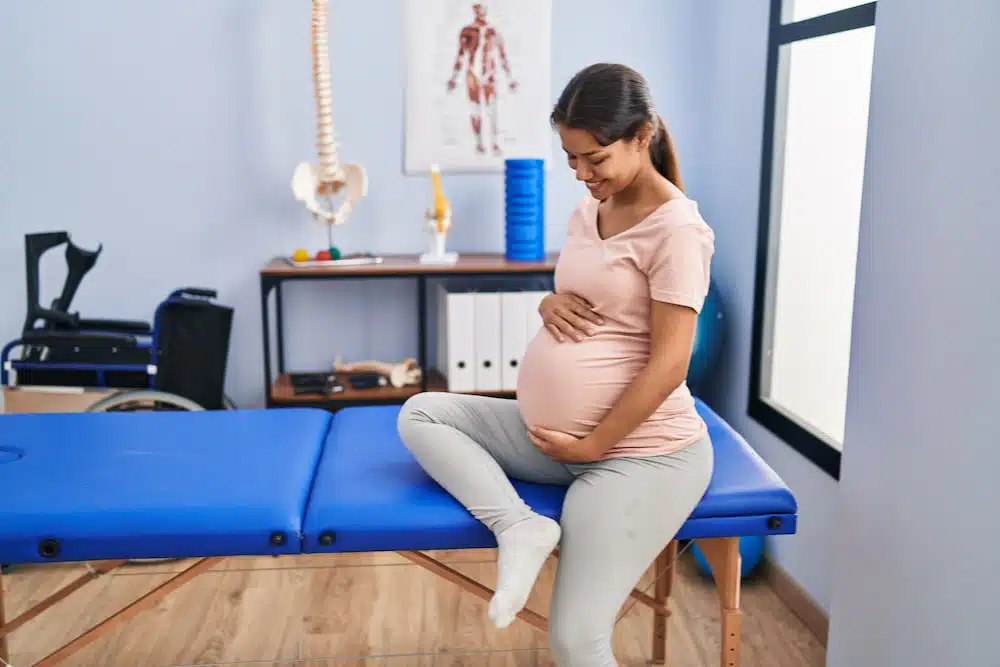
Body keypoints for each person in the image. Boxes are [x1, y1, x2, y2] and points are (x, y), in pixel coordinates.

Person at [398, 62, 715, 667]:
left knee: (574, 638)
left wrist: (595, 443)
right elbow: (590, 292)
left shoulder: (678, 231)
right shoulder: (587, 210)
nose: (581, 173)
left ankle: (543, 512)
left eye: (594, 158)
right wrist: (548, 299)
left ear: (642, 136)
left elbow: (672, 364)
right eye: (571, 158)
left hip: (637, 456)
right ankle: (518, 526)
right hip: (558, 441)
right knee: (422, 412)